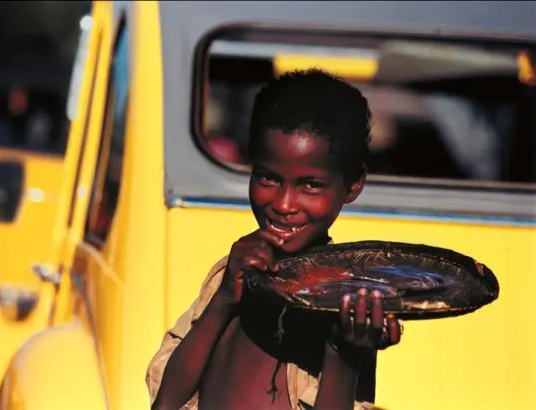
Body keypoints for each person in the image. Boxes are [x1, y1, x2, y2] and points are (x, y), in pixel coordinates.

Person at [146, 69, 404, 410]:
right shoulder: (231, 272)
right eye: (268, 178)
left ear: (352, 185)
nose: (283, 205)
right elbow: (165, 403)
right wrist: (224, 299)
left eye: (310, 185)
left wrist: (345, 351)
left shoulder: (346, 302)